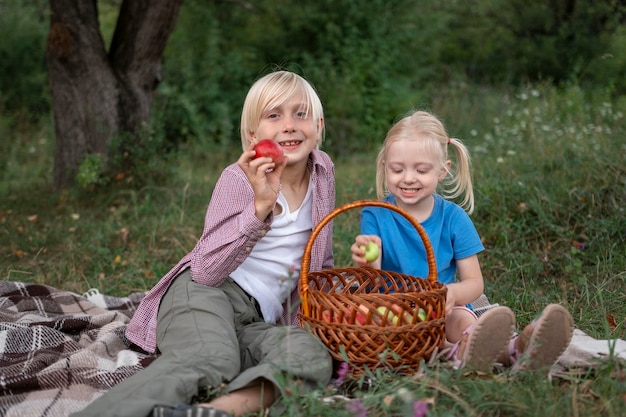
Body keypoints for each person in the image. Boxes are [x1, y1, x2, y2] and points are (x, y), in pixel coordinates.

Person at [72, 70, 336, 417]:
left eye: (300, 114)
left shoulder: (323, 171)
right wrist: (260, 208)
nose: (289, 125)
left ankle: (215, 410)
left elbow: (321, 258)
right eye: (274, 115)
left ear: (318, 125)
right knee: (211, 358)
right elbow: (205, 271)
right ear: (254, 135)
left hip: (257, 319)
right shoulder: (238, 180)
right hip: (206, 293)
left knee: (311, 353)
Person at [350, 110, 573, 373]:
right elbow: (369, 284)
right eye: (398, 169)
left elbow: (475, 283)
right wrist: (369, 262)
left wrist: (452, 293)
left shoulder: (454, 218)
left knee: (464, 320)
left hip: (442, 310)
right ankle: (494, 351)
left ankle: (510, 347)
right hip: (391, 312)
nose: (408, 178)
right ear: (385, 166)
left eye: (421, 170)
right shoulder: (375, 214)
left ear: (443, 171)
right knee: (376, 325)